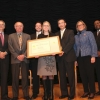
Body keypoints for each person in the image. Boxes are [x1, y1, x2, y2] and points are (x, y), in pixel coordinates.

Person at [74, 20, 97, 99]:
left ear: (84, 25)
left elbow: (93, 45)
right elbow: (75, 48)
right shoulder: (76, 36)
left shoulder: (89, 33)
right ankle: (86, 91)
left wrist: (93, 56)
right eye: (78, 25)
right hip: (79, 58)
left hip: (88, 56)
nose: (80, 26)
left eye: (81, 24)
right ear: (77, 27)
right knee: (83, 75)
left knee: (90, 75)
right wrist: (75, 59)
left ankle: (92, 92)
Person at [8, 22, 31, 100]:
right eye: (17, 26)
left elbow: (29, 47)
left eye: (21, 26)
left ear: (23, 27)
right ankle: (15, 96)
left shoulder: (28, 36)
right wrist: (17, 56)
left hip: (24, 59)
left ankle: (26, 95)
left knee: (25, 78)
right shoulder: (11, 36)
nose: (19, 27)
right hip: (15, 60)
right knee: (14, 78)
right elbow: (10, 47)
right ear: (15, 27)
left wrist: (23, 55)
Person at [56, 19, 76, 100]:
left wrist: (63, 51)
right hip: (60, 58)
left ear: (65, 24)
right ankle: (64, 93)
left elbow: (71, 42)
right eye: (59, 23)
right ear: (58, 25)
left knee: (71, 76)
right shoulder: (56, 34)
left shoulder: (70, 32)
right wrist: (57, 52)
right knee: (62, 77)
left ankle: (72, 94)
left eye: (62, 23)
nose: (60, 24)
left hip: (69, 57)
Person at [36, 21, 57, 100]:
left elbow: (56, 46)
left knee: (51, 75)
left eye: (47, 25)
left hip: (51, 58)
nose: (45, 27)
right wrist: (36, 54)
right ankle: (45, 94)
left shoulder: (53, 35)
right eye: (44, 25)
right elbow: (37, 47)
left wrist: (56, 51)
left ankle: (51, 95)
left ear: (49, 26)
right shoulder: (40, 36)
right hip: (42, 58)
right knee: (44, 76)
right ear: (42, 27)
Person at [0, 20, 12, 100]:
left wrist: (5, 53)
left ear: (4, 26)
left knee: (4, 78)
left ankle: (4, 96)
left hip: (5, 59)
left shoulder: (8, 36)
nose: (1, 25)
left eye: (2, 24)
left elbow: (10, 47)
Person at [30, 22, 42, 99]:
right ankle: (35, 93)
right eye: (36, 26)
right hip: (34, 59)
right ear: (35, 27)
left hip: (43, 59)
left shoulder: (45, 35)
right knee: (35, 76)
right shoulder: (31, 36)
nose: (38, 27)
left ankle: (46, 93)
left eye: (39, 26)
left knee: (45, 76)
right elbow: (29, 48)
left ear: (41, 27)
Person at [93, 20, 100, 95]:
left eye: (98, 23)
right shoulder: (94, 34)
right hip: (97, 57)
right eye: (95, 24)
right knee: (98, 74)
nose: (97, 24)